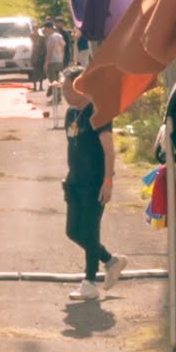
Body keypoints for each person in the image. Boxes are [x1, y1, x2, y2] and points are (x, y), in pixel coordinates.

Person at [62, 98, 113, 282]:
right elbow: (73, 144)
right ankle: (110, 260)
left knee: (90, 232)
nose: (65, 94)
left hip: (94, 183)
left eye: (69, 89)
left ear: (80, 89)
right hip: (74, 181)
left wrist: (107, 182)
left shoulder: (98, 112)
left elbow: (109, 151)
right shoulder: (71, 113)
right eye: (64, 89)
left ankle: (90, 280)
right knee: (73, 231)